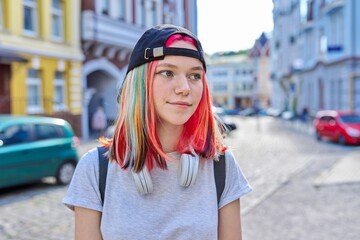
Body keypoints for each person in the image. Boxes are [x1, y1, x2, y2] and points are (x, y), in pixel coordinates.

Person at [63, 24, 252, 240]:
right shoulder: (95, 169)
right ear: (141, 84)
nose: (184, 88)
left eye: (194, 76)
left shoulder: (221, 166)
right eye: (167, 73)